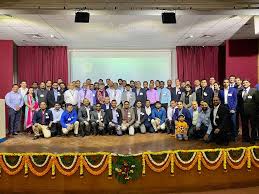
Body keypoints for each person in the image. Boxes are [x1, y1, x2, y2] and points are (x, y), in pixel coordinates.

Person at [238, 80, 256, 144]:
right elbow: (239, 102)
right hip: (243, 112)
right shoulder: (240, 92)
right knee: (244, 125)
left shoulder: (254, 90)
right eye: (243, 83)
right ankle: (246, 139)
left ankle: (253, 139)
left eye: (246, 82)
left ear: (249, 83)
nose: (245, 84)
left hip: (252, 112)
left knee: (253, 126)